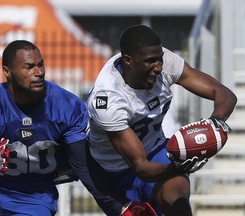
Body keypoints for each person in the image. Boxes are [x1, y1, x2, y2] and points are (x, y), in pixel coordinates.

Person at [0, 40, 123, 216]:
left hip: (32, 194)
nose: (39, 72)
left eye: (41, 65)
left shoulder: (64, 105)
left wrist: (119, 208)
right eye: (29, 67)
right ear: (7, 72)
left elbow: (83, 165)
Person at [86, 24, 237, 216]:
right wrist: (177, 167)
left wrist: (215, 123)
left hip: (157, 150)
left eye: (159, 59)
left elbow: (224, 94)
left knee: (177, 204)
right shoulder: (108, 98)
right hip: (114, 172)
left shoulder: (163, 59)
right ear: (128, 61)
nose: (158, 67)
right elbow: (141, 167)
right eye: (150, 61)